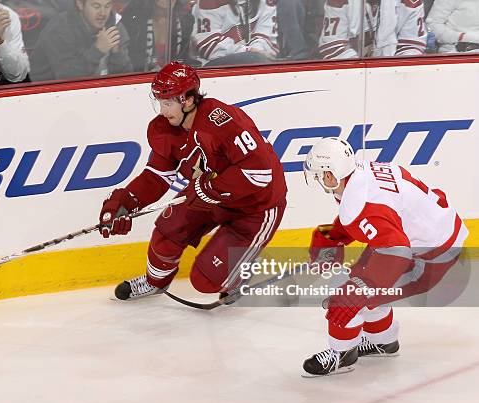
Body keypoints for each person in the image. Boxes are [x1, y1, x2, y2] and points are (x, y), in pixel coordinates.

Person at [98, 61, 287, 301]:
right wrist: (126, 200)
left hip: (256, 205)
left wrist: (208, 188)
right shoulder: (165, 129)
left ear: (188, 99)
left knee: (205, 282)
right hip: (210, 195)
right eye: (160, 102)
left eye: (168, 103)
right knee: (166, 234)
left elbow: (259, 172)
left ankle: (237, 271)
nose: (163, 110)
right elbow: (157, 176)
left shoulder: (223, 121)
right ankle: (155, 283)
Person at [301, 138, 468, 376]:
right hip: (426, 237)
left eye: (319, 175)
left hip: (429, 257)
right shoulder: (364, 172)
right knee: (362, 284)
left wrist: (361, 288)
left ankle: (342, 354)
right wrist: (332, 236)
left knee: (347, 294)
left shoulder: (360, 204)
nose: (319, 180)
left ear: (330, 175)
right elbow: (381, 216)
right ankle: (383, 341)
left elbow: (397, 251)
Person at [30, 0, 133, 81]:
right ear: (80, 4)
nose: (103, 13)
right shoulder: (59, 29)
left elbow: (126, 77)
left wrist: (117, 52)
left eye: (107, 6)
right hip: (48, 95)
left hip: (100, 93)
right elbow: (66, 78)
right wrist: (98, 50)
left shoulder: (115, 27)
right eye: (96, 6)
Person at [318, 0, 427, 59]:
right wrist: (362, 70)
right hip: (350, 76)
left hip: (393, 75)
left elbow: (412, 45)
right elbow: (332, 46)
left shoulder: (411, 1)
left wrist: (391, 70)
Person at [190, 0, 279, 66]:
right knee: (255, 59)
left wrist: (255, 51)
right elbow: (209, 46)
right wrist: (247, 51)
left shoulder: (267, 2)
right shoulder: (209, 2)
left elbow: (266, 39)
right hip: (213, 68)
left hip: (257, 64)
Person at [121, 0, 194, 72]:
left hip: (172, 78)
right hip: (140, 78)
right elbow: (128, 60)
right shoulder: (134, 20)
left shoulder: (186, 21)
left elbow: (183, 58)